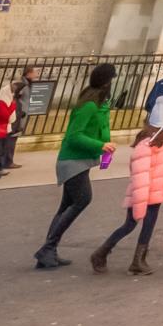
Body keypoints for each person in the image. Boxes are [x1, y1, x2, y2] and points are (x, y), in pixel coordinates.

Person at [35, 63, 117, 269]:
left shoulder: (95, 103)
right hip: (73, 160)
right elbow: (74, 136)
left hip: (79, 160)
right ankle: (47, 248)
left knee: (65, 206)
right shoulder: (89, 105)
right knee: (83, 199)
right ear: (106, 82)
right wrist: (101, 144)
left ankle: (49, 249)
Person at [89, 97, 163, 275]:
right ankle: (102, 252)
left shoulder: (161, 142)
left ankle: (138, 260)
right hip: (143, 193)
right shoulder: (146, 146)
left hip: (154, 192)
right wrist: (139, 204)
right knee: (129, 225)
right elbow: (140, 177)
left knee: (148, 225)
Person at [0, 65, 39, 170]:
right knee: (11, 138)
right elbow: (14, 98)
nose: (37, 74)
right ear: (29, 73)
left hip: (20, 114)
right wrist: (18, 112)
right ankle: (7, 161)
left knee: (12, 138)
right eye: (35, 72)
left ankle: (5, 160)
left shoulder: (27, 84)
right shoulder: (22, 85)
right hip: (18, 115)